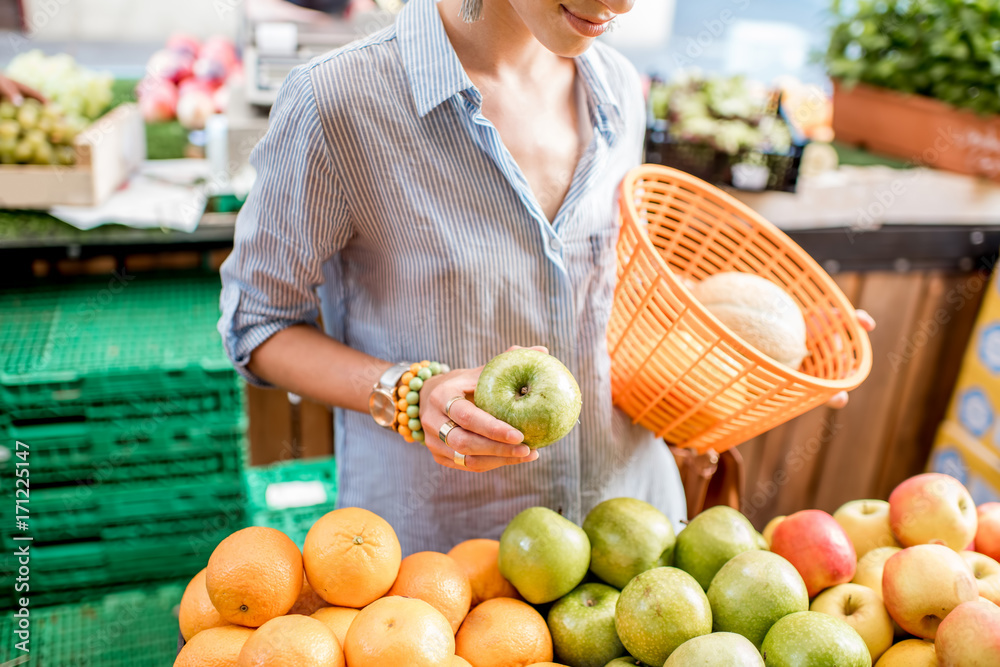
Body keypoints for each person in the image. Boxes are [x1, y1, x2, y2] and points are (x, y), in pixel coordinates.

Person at [219, 0, 871, 554]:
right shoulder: (339, 102)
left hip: (632, 530)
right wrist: (409, 393)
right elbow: (257, 324)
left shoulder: (616, 86)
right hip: (453, 556)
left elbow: (598, 304)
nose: (622, 3)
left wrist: (749, 353)